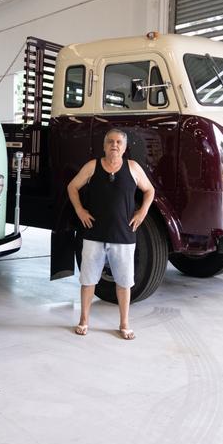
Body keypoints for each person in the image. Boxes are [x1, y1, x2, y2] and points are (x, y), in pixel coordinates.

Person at [67, 128, 155, 340]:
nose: (114, 145)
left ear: (124, 148)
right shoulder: (92, 166)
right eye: (110, 142)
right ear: (104, 146)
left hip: (123, 237)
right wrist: (80, 210)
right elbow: (72, 187)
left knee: (124, 283)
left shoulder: (132, 167)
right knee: (88, 280)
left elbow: (149, 190)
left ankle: (124, 324)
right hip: (94, 235)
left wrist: (142, 212)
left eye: (118, 142)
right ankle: (84, 320)